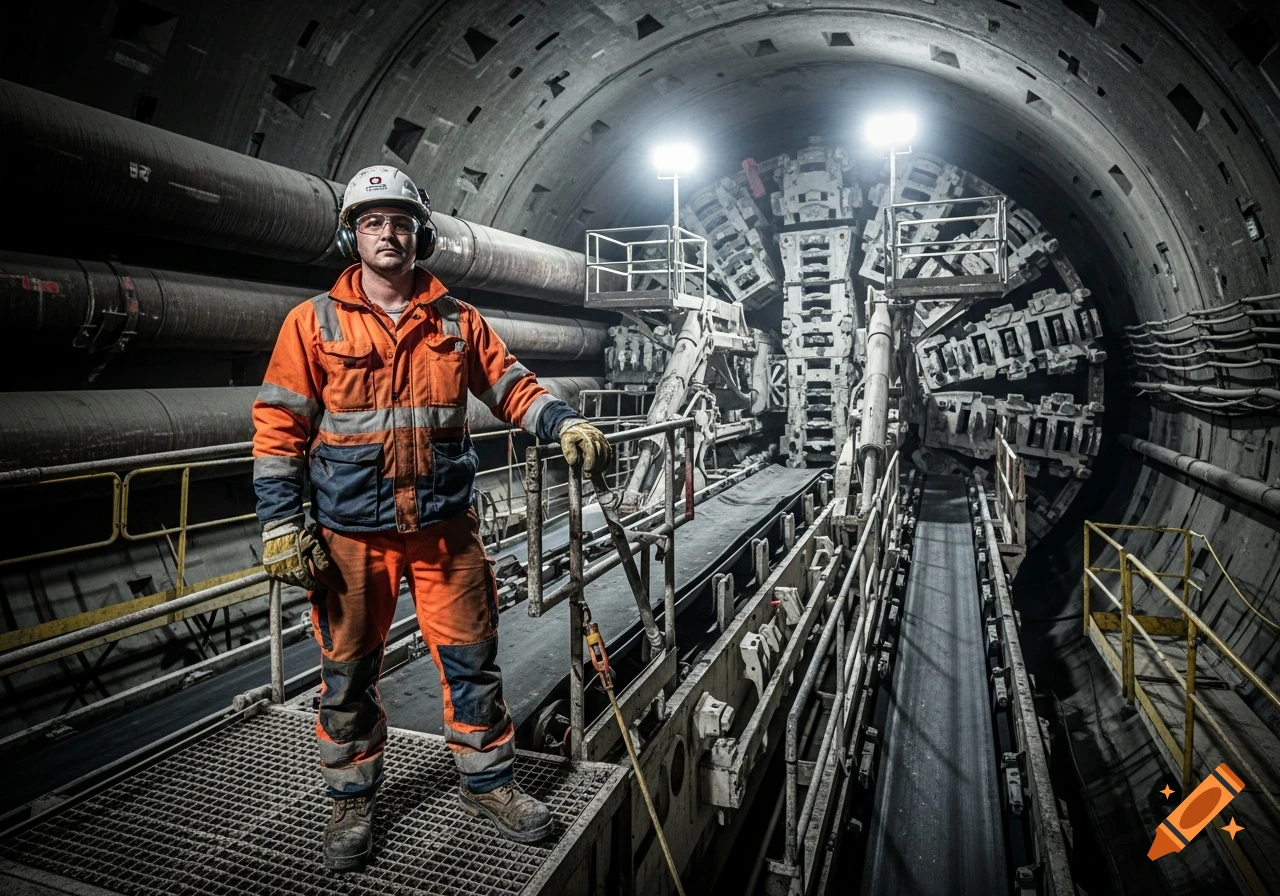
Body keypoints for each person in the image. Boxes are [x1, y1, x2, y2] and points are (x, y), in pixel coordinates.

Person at [252, 165, 610, 871]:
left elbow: (512, 386)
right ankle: (351, 799)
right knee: (348, 673)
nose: (388, 233)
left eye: (401, 221)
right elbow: (279, 428)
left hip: (445, 533)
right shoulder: (312, 322)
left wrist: (559, 421)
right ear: (351, 235)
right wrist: (279, 523)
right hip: (352, 535)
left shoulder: (456, 319)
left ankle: (489, 784)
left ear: (421, 234)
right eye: (373, 221)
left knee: (472, 664)